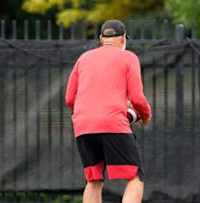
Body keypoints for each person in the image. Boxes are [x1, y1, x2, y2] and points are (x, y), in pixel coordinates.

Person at [65, 19, 151, 203]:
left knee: (94, 180)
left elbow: (69, 98)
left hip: (83, 126)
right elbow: (137, 98)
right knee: (136, 178)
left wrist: (88, 113)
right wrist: (146, 115)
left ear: (101, 38)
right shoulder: (129, 57)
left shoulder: (83, 58)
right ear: (122, 38)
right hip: (112, 124)